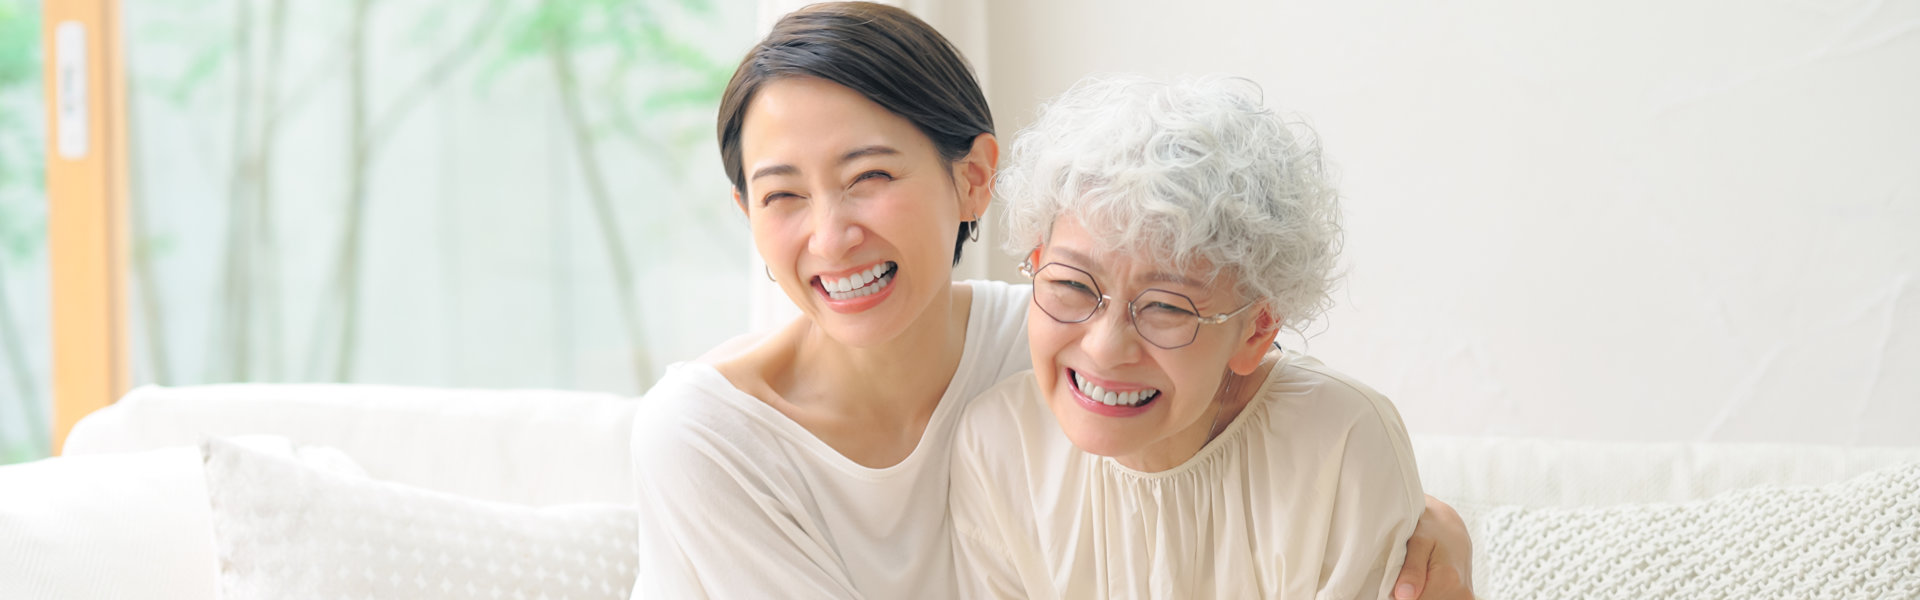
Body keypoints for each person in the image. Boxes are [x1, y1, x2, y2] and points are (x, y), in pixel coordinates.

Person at [629, 3, 1472, 599]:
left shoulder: (1048, 336)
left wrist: (1426, 523)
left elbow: (1254, 405)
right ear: (748, 216)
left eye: (869, 178)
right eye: (782, 195)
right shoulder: (704, 434)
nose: (831, 234)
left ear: (973, 178)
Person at [949, 75, 1423, 598]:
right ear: (1035, 264)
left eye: (1167, 308)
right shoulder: (998, 445)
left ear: (1256, 330)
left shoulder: (1341, 446)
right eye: (1070, 284)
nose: (1105, 347)